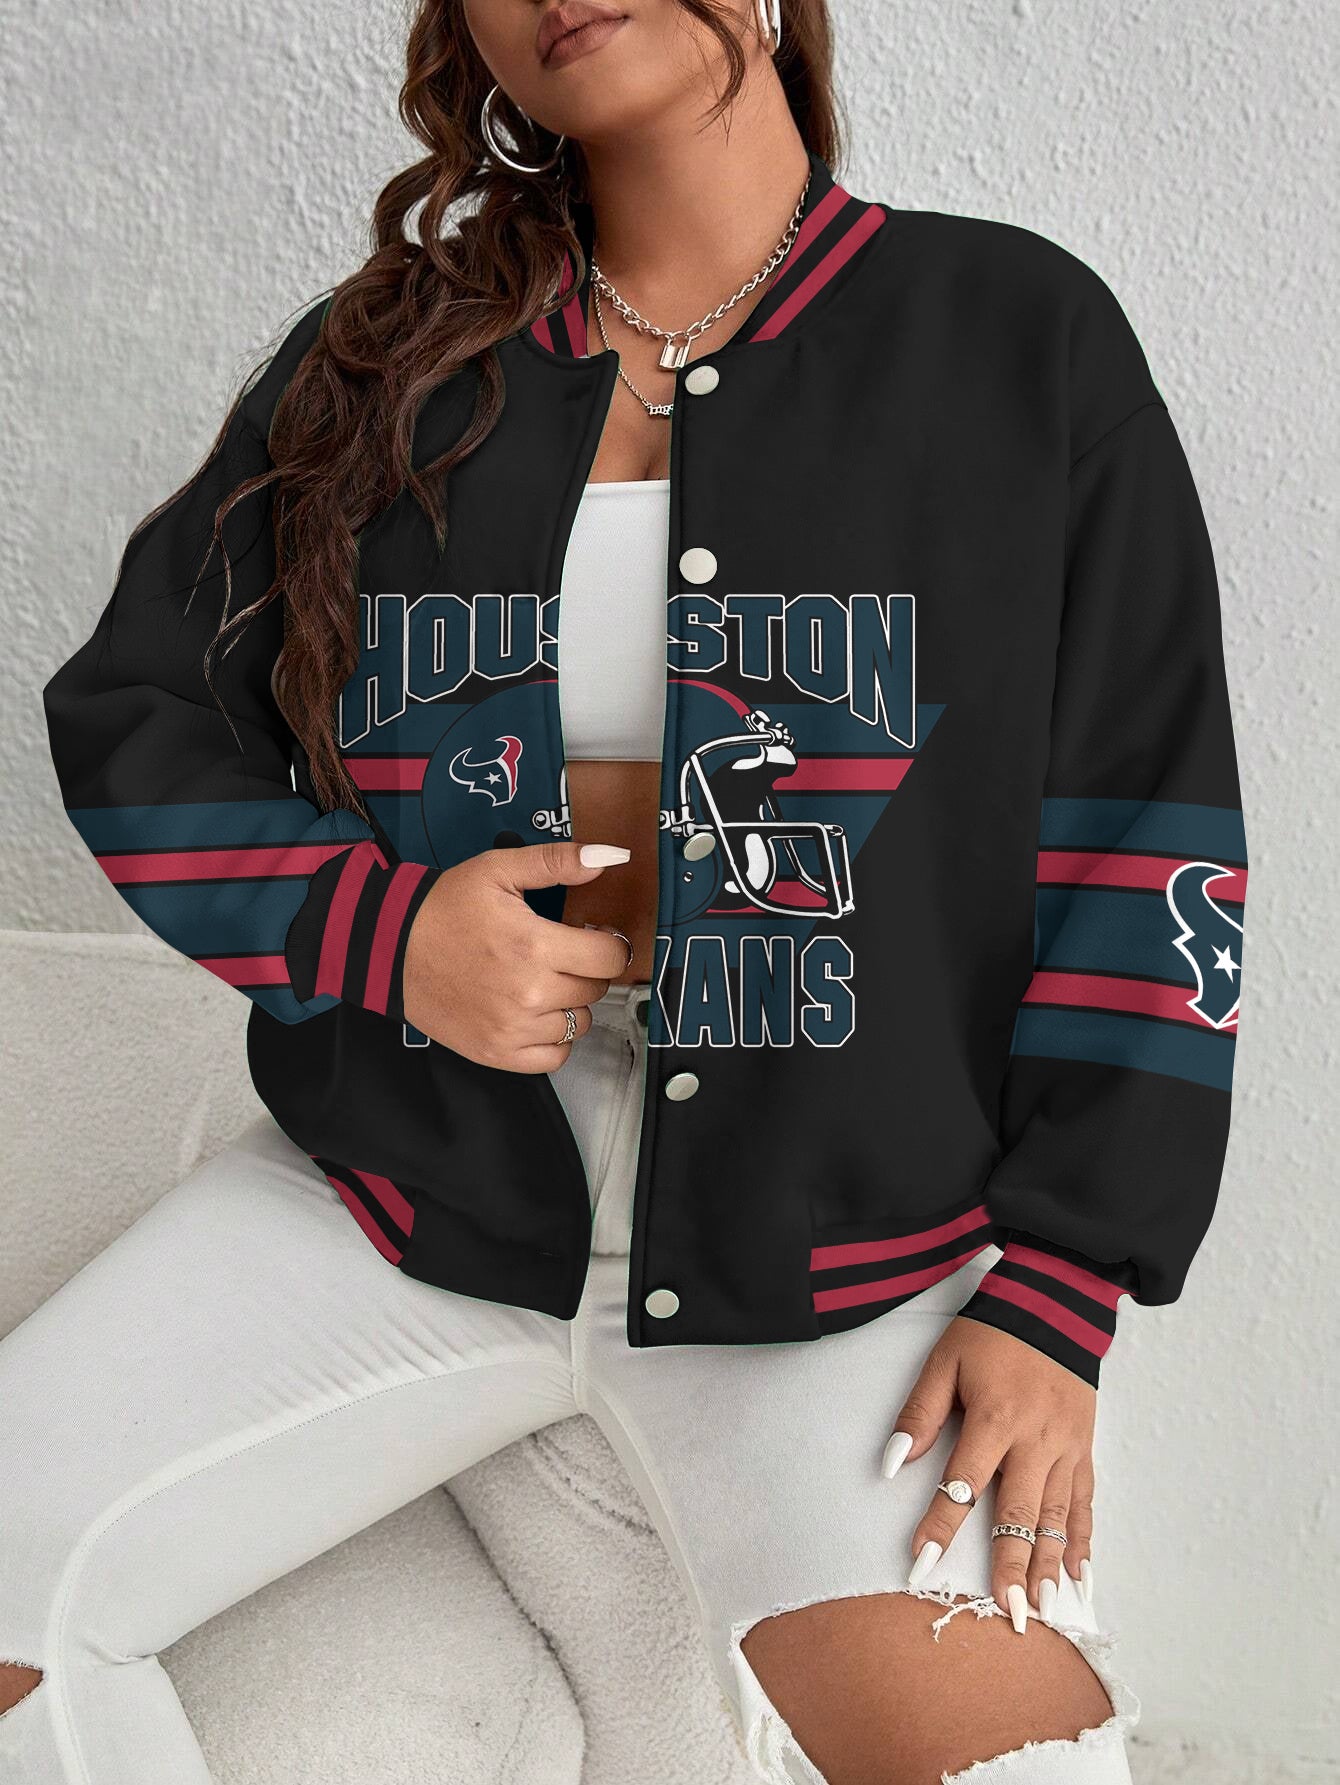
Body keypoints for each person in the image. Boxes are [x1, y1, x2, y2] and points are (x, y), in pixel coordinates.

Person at [2, 2, 1247, 1780]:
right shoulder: (386, 362)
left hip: (842, 1245)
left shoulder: (1012, 335)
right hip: (409, 1189)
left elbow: (1148, 821)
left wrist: (1062, 1280)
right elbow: (137, 714)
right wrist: (382, 936)